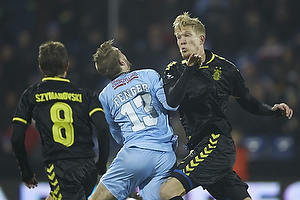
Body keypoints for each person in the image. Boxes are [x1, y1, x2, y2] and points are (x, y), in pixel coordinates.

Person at [159, 12, 293, 200]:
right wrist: (189, 71)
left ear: (201, 39)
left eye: (187, 35)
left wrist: (271, 110)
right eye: (178, 37)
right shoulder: (174, 69)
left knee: (167, 191)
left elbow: (247, 100)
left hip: (216, 143)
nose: (182, 41)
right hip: (199, 147)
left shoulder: (226, 69)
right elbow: (172, 101)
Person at [11, 40, 110, 200]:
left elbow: (16, 138)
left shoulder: (31, 95)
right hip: (88, 169)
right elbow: (103, 127)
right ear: (67, 66)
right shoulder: (85, 95)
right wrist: (101, 162)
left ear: (41, 68)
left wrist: (26, 171)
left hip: (61, 168)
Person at [88, 40, 178, 200]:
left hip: (135, 154)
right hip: (165, 154)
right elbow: (170, 104)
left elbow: (115, 134)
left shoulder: (105, 96)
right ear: (122, 61)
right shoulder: (149, 75)